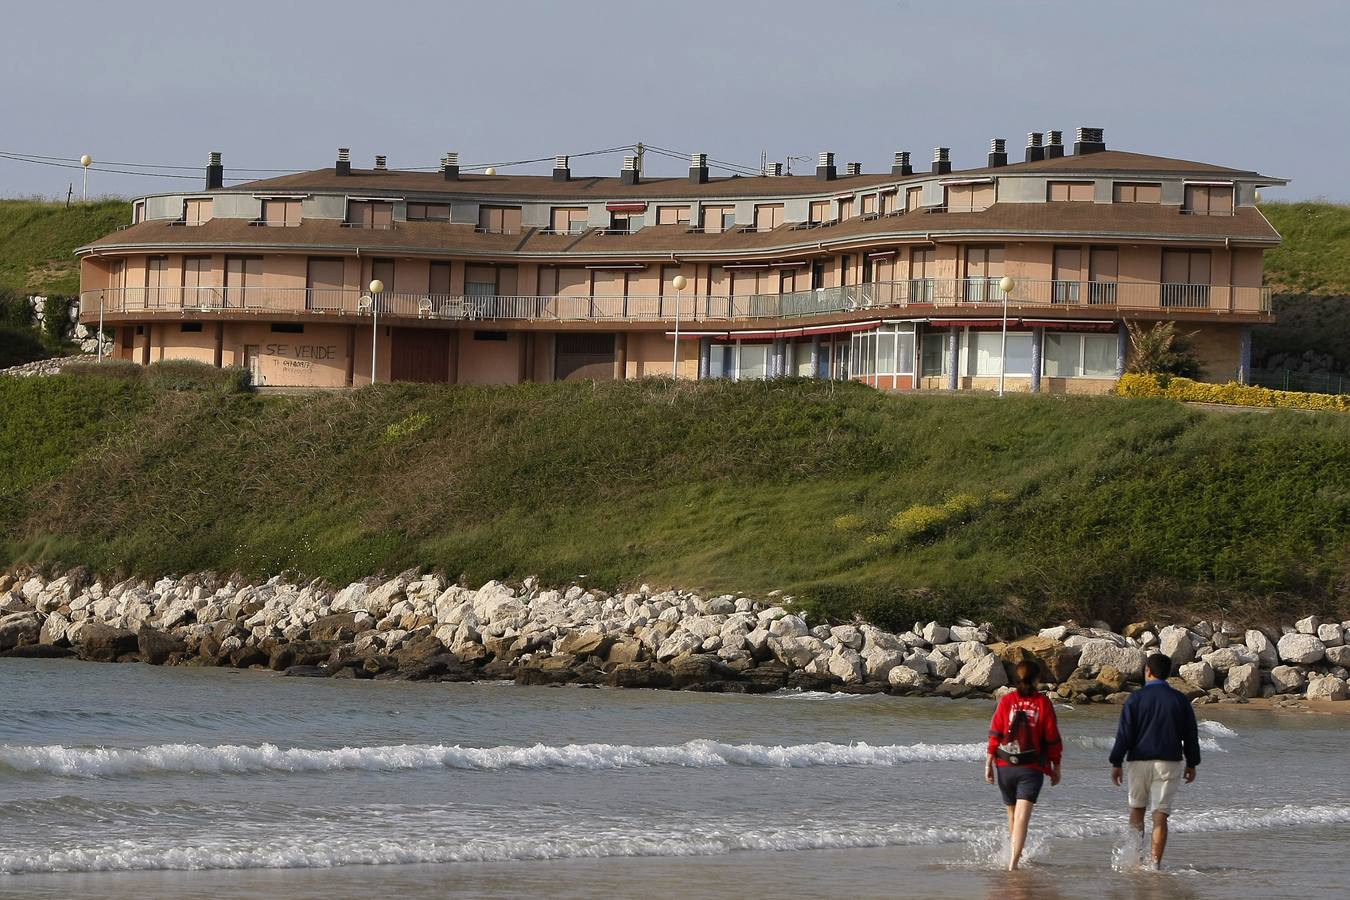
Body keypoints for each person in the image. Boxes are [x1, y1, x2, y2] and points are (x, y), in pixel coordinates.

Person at [1108, 652, 1201, 869]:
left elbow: (1124, 734)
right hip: (1169, 762)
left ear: (1148, 671)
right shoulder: (1180, 700)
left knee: (1137, 811)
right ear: (1167, 673)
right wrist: (1192, 763)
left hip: (1138, 761)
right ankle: (1155, 864)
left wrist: (1116, 762)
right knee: (1160, 815)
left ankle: (1136, 860)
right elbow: (1190, 735)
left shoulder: (1135, 699)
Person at [985, 659, 1063, 871]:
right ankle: (1013, 863)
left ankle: (1013, 855)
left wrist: (988, 762)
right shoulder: (1043, 703)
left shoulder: (1007, 700)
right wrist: (1056, 765)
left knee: (1012, 815)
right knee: (1021, 818)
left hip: (1004, 765)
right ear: (1037, 679)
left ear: (1017, 677)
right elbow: (1052, 736)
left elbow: (995, 732)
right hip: (1031, 767)